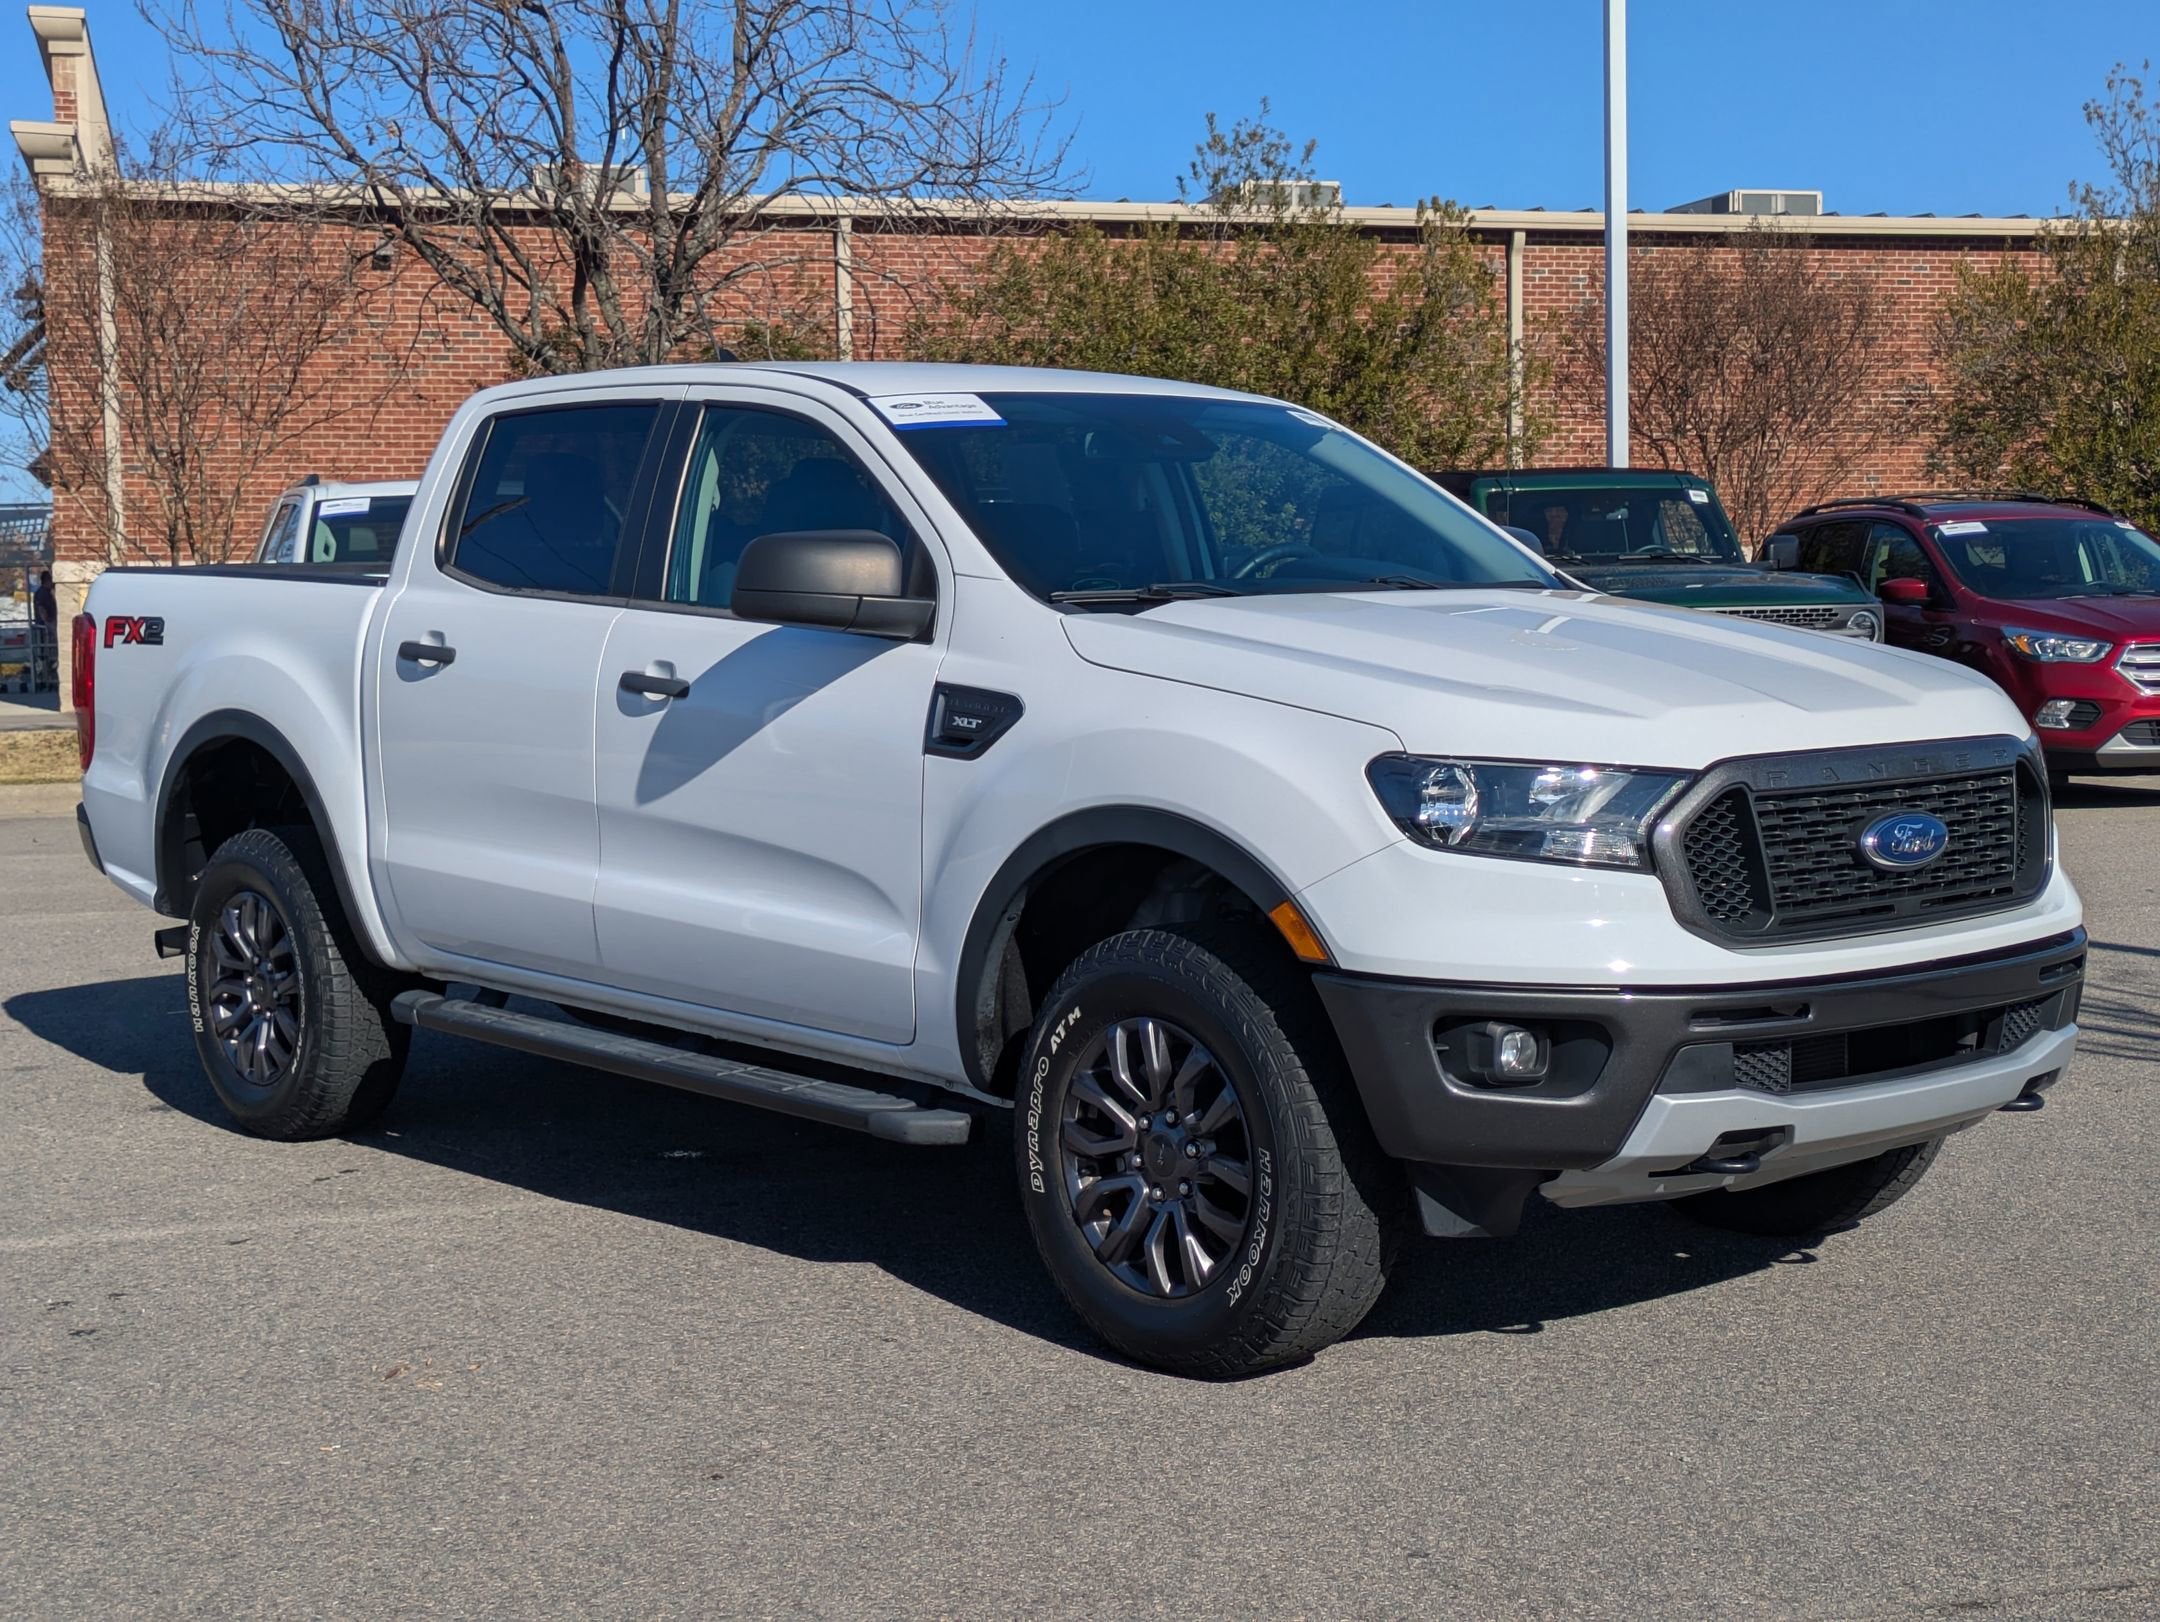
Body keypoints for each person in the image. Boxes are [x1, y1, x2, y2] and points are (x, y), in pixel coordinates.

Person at [31, 568, 55, 690]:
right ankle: (46, 681)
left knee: (48, 655)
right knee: (46, 655)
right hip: (44, 630)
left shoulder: (45, 592)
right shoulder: (43, 593)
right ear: (47, 581)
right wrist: (48, 624)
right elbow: (41, 610)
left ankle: (48, 680)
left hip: (46, 627)